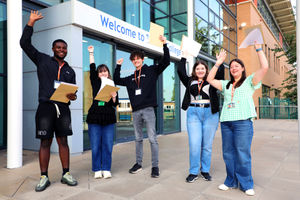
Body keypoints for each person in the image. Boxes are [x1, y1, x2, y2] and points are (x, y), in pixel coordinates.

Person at [20, 10, 78, 192]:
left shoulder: (70, 70)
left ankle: (66, 174)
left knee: (63, 142)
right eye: (59, 47)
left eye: (64, 48)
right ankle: (44, 176)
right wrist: (30, 23)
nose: (62, 50)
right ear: (53, 49)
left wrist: (72, 96)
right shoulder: (43, 60)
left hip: (64, 109)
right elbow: (24, 43)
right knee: (45, 142)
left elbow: (73, 93)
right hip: (45, 107)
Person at [207, 44, 268, 196]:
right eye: (231, 66)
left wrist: (259, 49)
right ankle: (231, 181)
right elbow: (209, 79)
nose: (233, 68)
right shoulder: (226, 84)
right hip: (227, 122)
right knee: (228, 153)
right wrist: (218, 63)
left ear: (242, 68)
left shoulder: (249, 81)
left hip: (243, 123)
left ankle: (246, 184)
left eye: (237, 66)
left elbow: (264, 67)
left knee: (242, 153)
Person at [113, 35, 170, 178]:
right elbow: (117, 79)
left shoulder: (151, 70)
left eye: (138, 58)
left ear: (142, 59)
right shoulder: (131, 77)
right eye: (133, 59)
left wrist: (165, 45)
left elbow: (166, 62)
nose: (135, 61)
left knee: (152, 139)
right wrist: (118, 66)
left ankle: (155, 166)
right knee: (138, 138)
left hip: (149, 109)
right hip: (136, 111)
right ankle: (138, 163)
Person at [177, 51, 224, 183]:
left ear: (206, 70)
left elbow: (221, 75)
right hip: (193, 113)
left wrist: (219, 63)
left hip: (210, 114)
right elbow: (180, 71)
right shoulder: (189, 81)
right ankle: (193, 172)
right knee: (194, 144)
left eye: (202, 68)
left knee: (207, 145)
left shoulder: (211, 80)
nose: (200, 70)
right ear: (194, 71)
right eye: (197, 68)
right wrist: (184, 56)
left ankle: (205, 171)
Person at [86, 45, 118, 179]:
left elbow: (115, 104)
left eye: (105, 71)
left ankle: (106, 168)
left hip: (109, 117)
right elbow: (92, 68)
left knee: (108, 145)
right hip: (94, 117)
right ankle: (97, 169)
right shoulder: (95, 82)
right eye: (101, 72)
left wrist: (114, 97)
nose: (103, 73)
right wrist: (91, 53)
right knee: (95, 145)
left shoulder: (111, 83)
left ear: (108, 73)